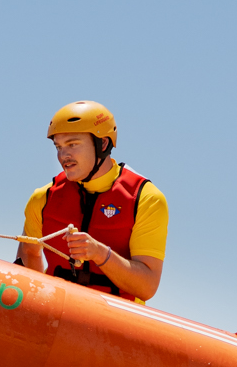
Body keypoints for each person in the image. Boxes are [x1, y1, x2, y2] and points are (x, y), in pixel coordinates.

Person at [17, 101, 167, 302]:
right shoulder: (42, 198)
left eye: (72, 144)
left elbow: (147, 287)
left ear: (102, 144)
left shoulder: (146, 199)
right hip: (57, 318)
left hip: (117, 322)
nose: (63, 156)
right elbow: (29, 252)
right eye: (58, 147)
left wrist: (100, 253)